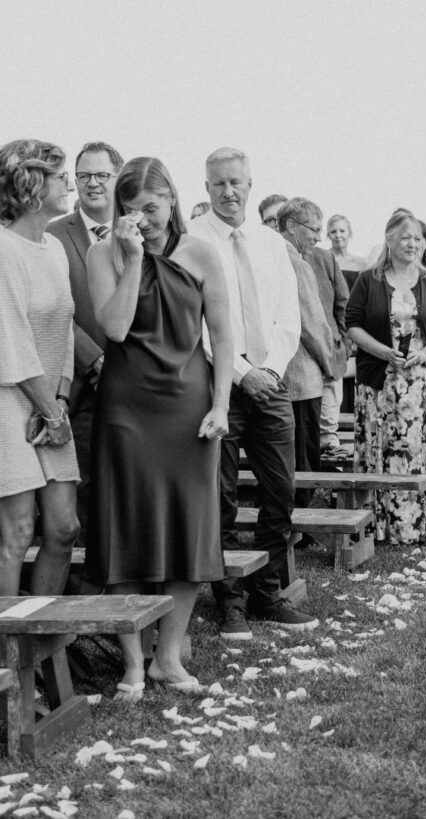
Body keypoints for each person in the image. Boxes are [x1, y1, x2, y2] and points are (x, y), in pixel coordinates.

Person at [85, 157, 232, 698]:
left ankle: (168, 658)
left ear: (171, 199)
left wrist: (220, 406)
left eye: (150, 207)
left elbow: (222, 331)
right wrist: (130, 257)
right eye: (131, 210)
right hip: (127, 408)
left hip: (188, 406)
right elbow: (116, 327)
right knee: (123, 527)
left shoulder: (201, 253)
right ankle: (132, 662)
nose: (142, 219)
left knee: (187, 529)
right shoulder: (106, 252)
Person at [189, 147, 318, 639]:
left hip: (273, 382)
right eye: (218, 183)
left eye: (236, 182)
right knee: (219, 499)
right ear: (206, 188)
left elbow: (290, 314)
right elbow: (199, 320)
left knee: (279, 493)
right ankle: (231, 601)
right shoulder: (194, 241)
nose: (228, 191)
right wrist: (243, 374)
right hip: (219, 385)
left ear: (249, 184)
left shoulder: (269, 243)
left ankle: (267, 593)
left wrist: (270, 369)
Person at [0, 139, 79, 598]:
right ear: (31, 182)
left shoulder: (52, 247)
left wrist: (60, 403)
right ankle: (7, 660)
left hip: (52, 407)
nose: (68, 183)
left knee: (65, 527)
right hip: (11, 403)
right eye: (61, 174)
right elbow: (10, 342)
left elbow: (65, 330)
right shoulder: (5, 249)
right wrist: (48, 411)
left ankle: (43, 645)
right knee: (16, 532)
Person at [346, 211, 426, 546]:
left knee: (416, 450)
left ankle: (419, 524)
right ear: (389, 240)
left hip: (419, 383)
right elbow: (352, 325)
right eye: (406, 237)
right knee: (380, 449)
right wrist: (383, 352)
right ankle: (376, 525)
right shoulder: (368, 280)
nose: (413, 243)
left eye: (418, 237)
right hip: (379, 382)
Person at [47, 142, 124, 552]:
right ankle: (82, 585)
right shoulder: (53, 233)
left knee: (127, 484)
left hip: (135, 380)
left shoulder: (137, 231)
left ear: (119, 177)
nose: (91, 184)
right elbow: (56, 307)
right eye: (83, 176)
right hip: (79, 384)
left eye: (101, 175)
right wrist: (93, 359)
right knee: (84, 485)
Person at [276, 198, 337, 533]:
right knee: (303, 457)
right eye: (314, 229)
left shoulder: (274, 255)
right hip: (301, 376)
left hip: (286, 376)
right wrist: (330, 363)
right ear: (291, 226)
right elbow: (310, 322)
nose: (317, 237)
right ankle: (301, 526)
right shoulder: (294, 261)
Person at [326, 214, 366, 292]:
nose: (338, 235)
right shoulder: (324, 260)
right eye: (333, 232)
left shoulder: (360, 263)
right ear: (328, 235)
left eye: (342, 231)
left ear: (350, 233)